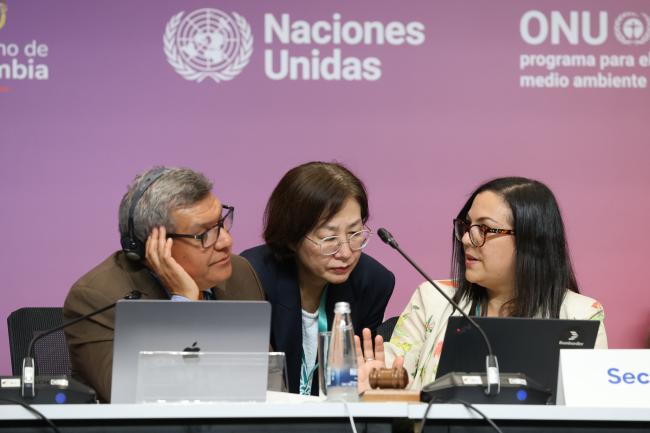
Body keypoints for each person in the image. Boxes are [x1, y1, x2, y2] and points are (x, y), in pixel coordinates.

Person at [356, 177, 608, 390]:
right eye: (467, 226)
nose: (466, 238)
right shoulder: (432, 299)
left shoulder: (581, 315)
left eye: (485, 229)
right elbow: (395, 376)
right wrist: (380, 382)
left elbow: (589, 407)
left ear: (532, 242)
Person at [63, 167, 265, 402]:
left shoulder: (240, 273)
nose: (226, 241)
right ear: (154, 245)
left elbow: (267, 378)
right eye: (204, 234)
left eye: (221, 222)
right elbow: (130, 396)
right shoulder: (97, 297)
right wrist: (183, 302)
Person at [241, 161, 394, 395]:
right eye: (328, 239)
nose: (345, 253)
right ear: (292, 237)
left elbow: (352, 379)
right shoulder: (253, 276)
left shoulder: (373, 282)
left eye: (355, 234)